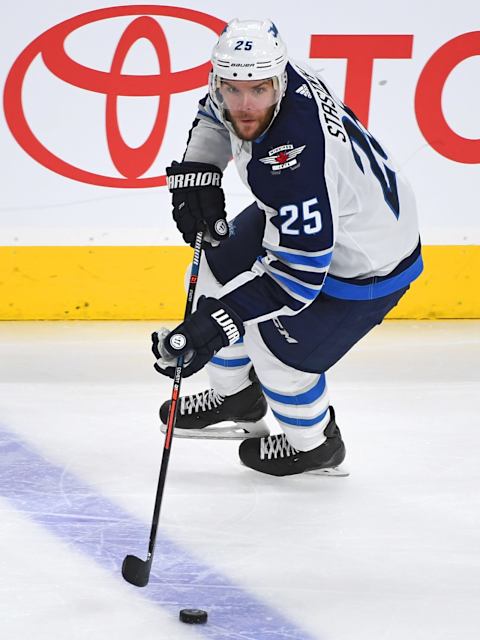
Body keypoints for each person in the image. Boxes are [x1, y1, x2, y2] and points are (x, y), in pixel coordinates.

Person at [151, 19, 423, 476]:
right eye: (232, 87)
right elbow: (214, 114)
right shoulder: (269, 72)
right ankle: (235, 395)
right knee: (214, 275)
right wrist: (200, 171)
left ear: (277, 81)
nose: (244, 104)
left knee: (277, 360)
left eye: (257, 90)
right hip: (327, 210)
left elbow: (297, 281)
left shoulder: (292, 161)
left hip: (367, 262)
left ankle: (315, 446)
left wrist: (220, 324)